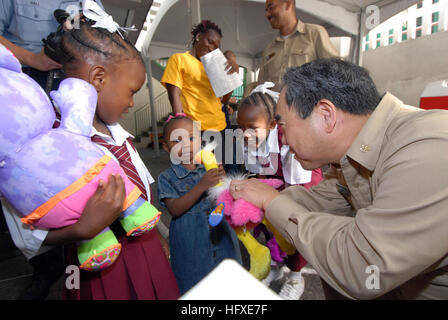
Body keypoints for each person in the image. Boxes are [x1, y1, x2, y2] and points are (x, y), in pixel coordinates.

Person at [230, 58, 448, 300]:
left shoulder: (426, 149)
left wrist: (272, 202)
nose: (281, 138)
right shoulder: (352, 155)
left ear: (326, 115)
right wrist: (256, 204)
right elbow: (323, 200)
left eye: (282, 125)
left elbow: (363, 267)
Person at [3, 10, 180, 299]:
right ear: (98, 78)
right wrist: (83, 229)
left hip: (145, 249)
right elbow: (26, 235)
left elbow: (141, 193)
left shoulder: (120, 135)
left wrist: (157, 234)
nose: (132, 103)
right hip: (96, 261)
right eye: (131, 91)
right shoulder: (40, 146)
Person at [0, 0, 104, 300]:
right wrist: (34, 59)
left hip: (76, 89)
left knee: (83, 171)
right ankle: (45, 268)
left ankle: (89, 251)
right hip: (26, 88)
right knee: (24, 183)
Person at [236, 82, 323, 299]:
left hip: (300, 182)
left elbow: (296, 190)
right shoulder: (250, 139)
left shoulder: (290, 141)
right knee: (265, 221)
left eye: (252, 128)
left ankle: (295, 278)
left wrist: (276, 207)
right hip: (277, 179)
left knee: (292, 228)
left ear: (273, 125)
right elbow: (261, 176)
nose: (245, 134)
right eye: (241, 127)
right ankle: (275, 265)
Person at [158, 115, 242, 294]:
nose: (186, 144)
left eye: (191, 138)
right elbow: (174, 209)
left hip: (220, 234)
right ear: (166, 147)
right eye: (177, 140)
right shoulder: (166, 178)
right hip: (191, 241)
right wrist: (202, 185)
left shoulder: (208, 167)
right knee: (195, 285)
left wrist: (223, 177)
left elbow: (225, 195)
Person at [161, 20, 238, 168]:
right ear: (198, 37)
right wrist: (182, 130)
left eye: (216, 47)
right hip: (196, 131)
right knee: (198, 175)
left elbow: (224, 99)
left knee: (221, 174)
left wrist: (230, 78)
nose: (211, 48)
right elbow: (174, 95)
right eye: (210, 42)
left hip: (220, 126)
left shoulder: (214, 67)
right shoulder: (179, 60)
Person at [258, 0, 339, 91]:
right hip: (275, 105)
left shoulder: (314, 34)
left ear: (288, 4)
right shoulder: (269, 50)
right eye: (266, 10)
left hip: (307, 103)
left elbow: (335, 71)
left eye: (271, 8)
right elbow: (261, 87)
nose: (267, 14)